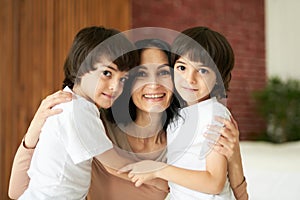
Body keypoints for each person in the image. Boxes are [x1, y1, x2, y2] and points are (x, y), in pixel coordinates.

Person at [8, 36, 248, 200]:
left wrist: (233, 157)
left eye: (164, 72)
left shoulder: (182, 140)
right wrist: (34, 131)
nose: (153, 84)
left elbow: (221, 192)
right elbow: (17, 192)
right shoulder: (99, 130)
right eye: (141, 73)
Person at [119, 27, 246, 200]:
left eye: (202, 71)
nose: (189, 79)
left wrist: (157, 169)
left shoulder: (213, 114)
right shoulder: (181, 113)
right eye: (181, 67)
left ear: (218, 77)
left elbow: (215, 183)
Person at [17, 26, 139, 199]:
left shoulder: (73, 104)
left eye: (123, 79)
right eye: (107, 73)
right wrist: (160, 176)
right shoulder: (78, 110)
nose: (115, 86)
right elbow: (113, 164)